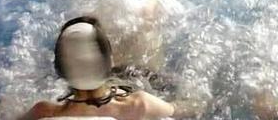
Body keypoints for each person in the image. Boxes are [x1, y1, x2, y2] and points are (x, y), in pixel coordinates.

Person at [18, 16, 179, 120]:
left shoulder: (42, 112)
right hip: (127, 80)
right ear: (110, 61)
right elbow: (184, 108)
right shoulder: (139, 105)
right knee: (145, 33)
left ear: (60, 70)